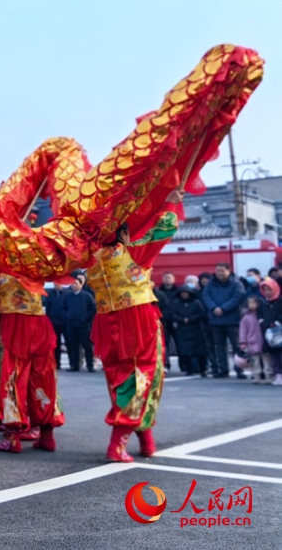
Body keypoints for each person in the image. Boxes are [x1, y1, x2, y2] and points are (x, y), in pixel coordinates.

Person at [86, 190, 182, 463]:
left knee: (120, 380)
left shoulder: (91, 260)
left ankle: (146, 439)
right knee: (143, 378)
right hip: (137, 319)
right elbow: (165, 228)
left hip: (106, 321)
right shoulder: (133, 253)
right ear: (124, 235)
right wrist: (171, 200)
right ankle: (118, 443)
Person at [0, 269, 64, 453]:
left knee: (9, 376)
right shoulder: (36, 256)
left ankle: (11, 437)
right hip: (38, 321)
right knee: (42, 377)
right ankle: (46, 435)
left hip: (12, 323)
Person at [202, 263, 246, 378]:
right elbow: (206, 296)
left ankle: (239, 369)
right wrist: (213, 308)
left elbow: (237, 298)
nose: (219, 273)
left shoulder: (236, 283)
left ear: (228, 271)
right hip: (215, 320)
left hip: (232, 320)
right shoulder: (211, 283)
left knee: (236, 346)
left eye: (222, 271)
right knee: (219, 346)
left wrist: (223, 308)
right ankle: (223, 369)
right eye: (218, 271)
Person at [171, 285, 207, 376]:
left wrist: (190, 319)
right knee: (185, 352)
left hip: (196, 329)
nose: (184, 295)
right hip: (182, 330)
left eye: (186, 293)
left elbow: (201, 314)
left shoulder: (196, 303)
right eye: (182, 293)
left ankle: (203, 369)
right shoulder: (176, 303)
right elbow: (172, 315)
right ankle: (189, 369)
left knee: (200, 351)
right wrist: (182, 320)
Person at [63, 277, 96, 372]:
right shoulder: (67, 296)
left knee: (87, 346)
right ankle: (74, 365)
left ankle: (90, 365)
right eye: (72, 284)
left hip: (84, 326)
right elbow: (63, 309)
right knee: (73, 346)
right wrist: (67, 317)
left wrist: (87, 319)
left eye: (76, 283)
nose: (74, 285)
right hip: (71, 325)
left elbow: (93, 308)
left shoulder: (87, 296)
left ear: (81, 285)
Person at [257, 278, 282, 386]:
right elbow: (260, 314)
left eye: (269, 289)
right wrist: (262, 321)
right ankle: (277, 374)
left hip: (279, 332)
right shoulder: (263, 303)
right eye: (265, 290)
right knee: (273, 355)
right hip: (268, 333)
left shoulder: (280, 302)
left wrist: (277, 322)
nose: (267, 292)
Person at [239, 294, 268, 384]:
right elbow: (243, 330)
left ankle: (268, 376)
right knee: (254, 361)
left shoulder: (264, 314)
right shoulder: (246, 317)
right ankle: (256, 376)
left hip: (264, 341)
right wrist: (243, 342)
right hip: (252, 341)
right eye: (249, 303)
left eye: (254, 303)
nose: (251, 305)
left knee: (267, 360)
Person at [44, 283, 68, 370]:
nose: (56, 284)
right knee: (56, 344)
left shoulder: (67, 293)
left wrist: (67, 316)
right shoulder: (49, 294)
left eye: (58, 283)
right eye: (55, 283)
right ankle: (57, 363)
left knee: (70, 343)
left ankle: (74, 363)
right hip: (54, 322)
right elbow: (47, 308)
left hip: (66, 322)